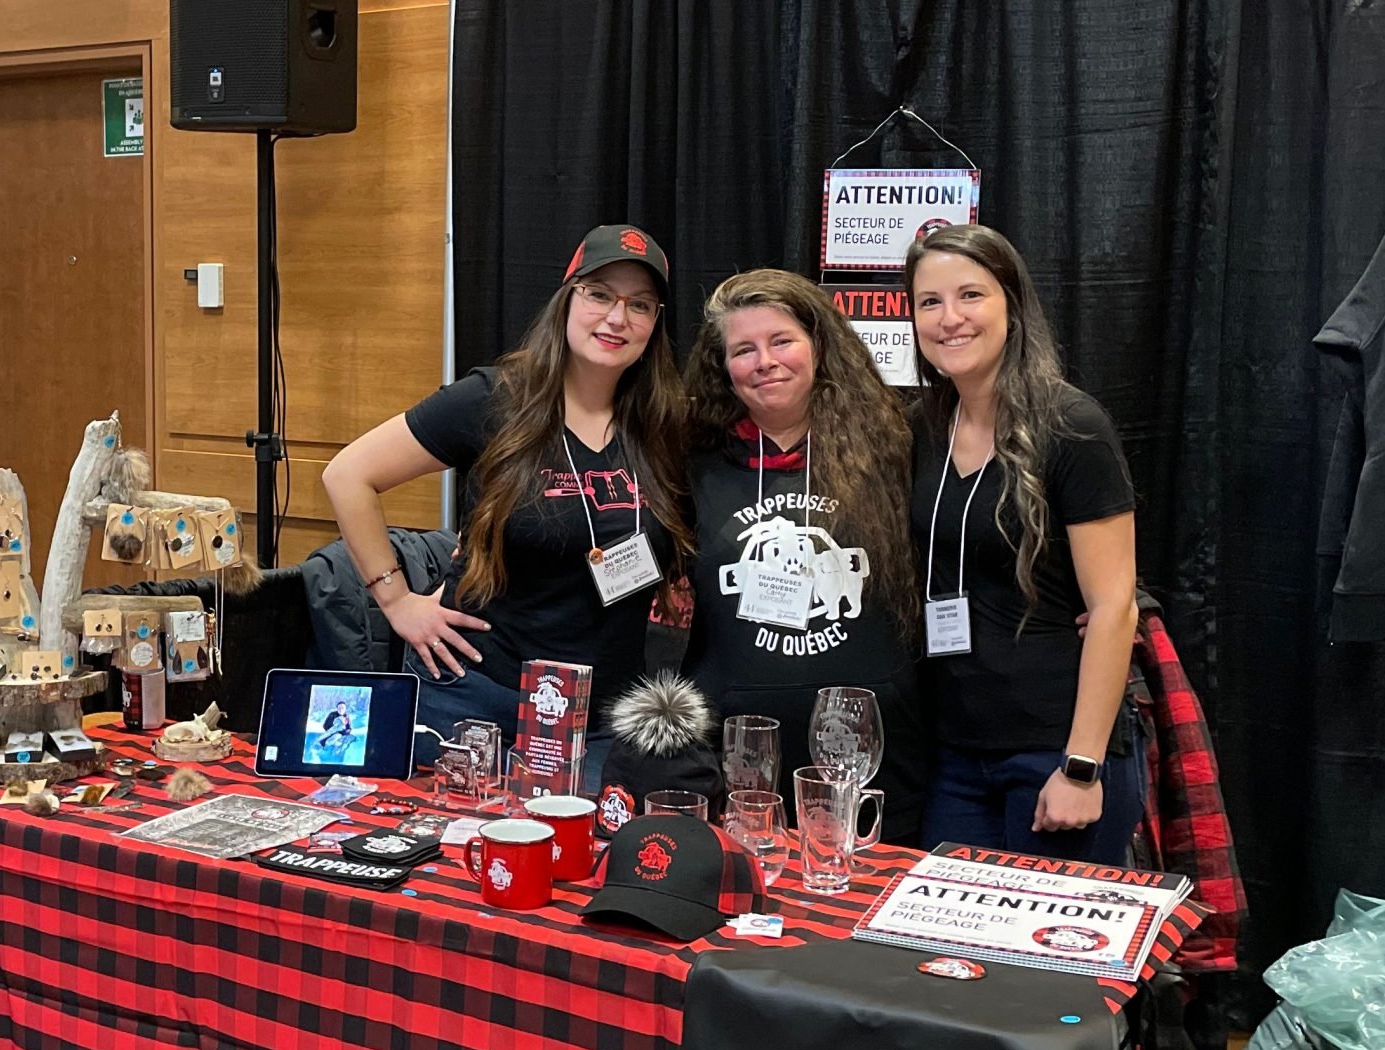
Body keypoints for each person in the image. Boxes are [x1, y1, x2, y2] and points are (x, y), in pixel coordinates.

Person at [322, 224, 692, 791]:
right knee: (451, 865)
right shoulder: (493, 399)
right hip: (476, 692)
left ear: (655, 323)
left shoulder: (663, 422)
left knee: (575, 871)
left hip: (601, 716)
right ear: (567, 299)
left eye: (639, 305)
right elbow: (348, 474)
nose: (617, 319)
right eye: (599, 295)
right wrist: (396, 602)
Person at [904, 224, 1142, 864]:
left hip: (1055, 753)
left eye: (970, 296)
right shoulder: (922, 428)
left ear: (1011, 301)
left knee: (1047, 964)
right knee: (944, 959)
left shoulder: (1071, 427)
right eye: (929, 302)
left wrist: (1082, 765)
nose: (950, 318)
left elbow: (1116, 606)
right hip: (957, 755)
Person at [678, 269, 929, 841]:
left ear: (819, 346)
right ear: (724, 368)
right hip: (739, 748)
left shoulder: (898, 444)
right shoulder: (690, 458)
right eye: (744, 349)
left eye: (782, 340)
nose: (765, 361)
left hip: (871, 749)